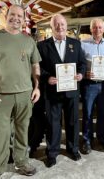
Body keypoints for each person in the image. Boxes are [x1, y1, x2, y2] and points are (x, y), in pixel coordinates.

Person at [0, 4, 41, 179]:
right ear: (6, 16)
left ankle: (21, 163)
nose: (16, 18)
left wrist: (37, 87)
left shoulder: (29, 41)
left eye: (20, 16)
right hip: (0, 97)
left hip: (25, 95)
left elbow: (35, 66)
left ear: (24, 19)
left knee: (22, 131)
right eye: (13, 14)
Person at [38, 14, 86, 167]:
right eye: (56, 24)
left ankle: (73, 149)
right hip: (52, 92)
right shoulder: (42, 46)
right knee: (53, 123)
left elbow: (82, 63)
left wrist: (81, 74)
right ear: (51, 27)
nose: (60, 27)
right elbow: (38, 67)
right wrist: (47, 78)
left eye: (62, 24)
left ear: (67, 26)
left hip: (71, 91)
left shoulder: (76, 44)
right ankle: (52, 153)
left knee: (72, 121)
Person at [80, 18, 104, 154]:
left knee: (102, 112)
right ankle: (87, 140)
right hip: (89, 85)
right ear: (90, 29)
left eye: (100, 27)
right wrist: (84, 73)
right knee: (87, 113)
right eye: (95, 27)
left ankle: (100, 137)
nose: (97, 30)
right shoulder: (83, 44)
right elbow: (79, 64)